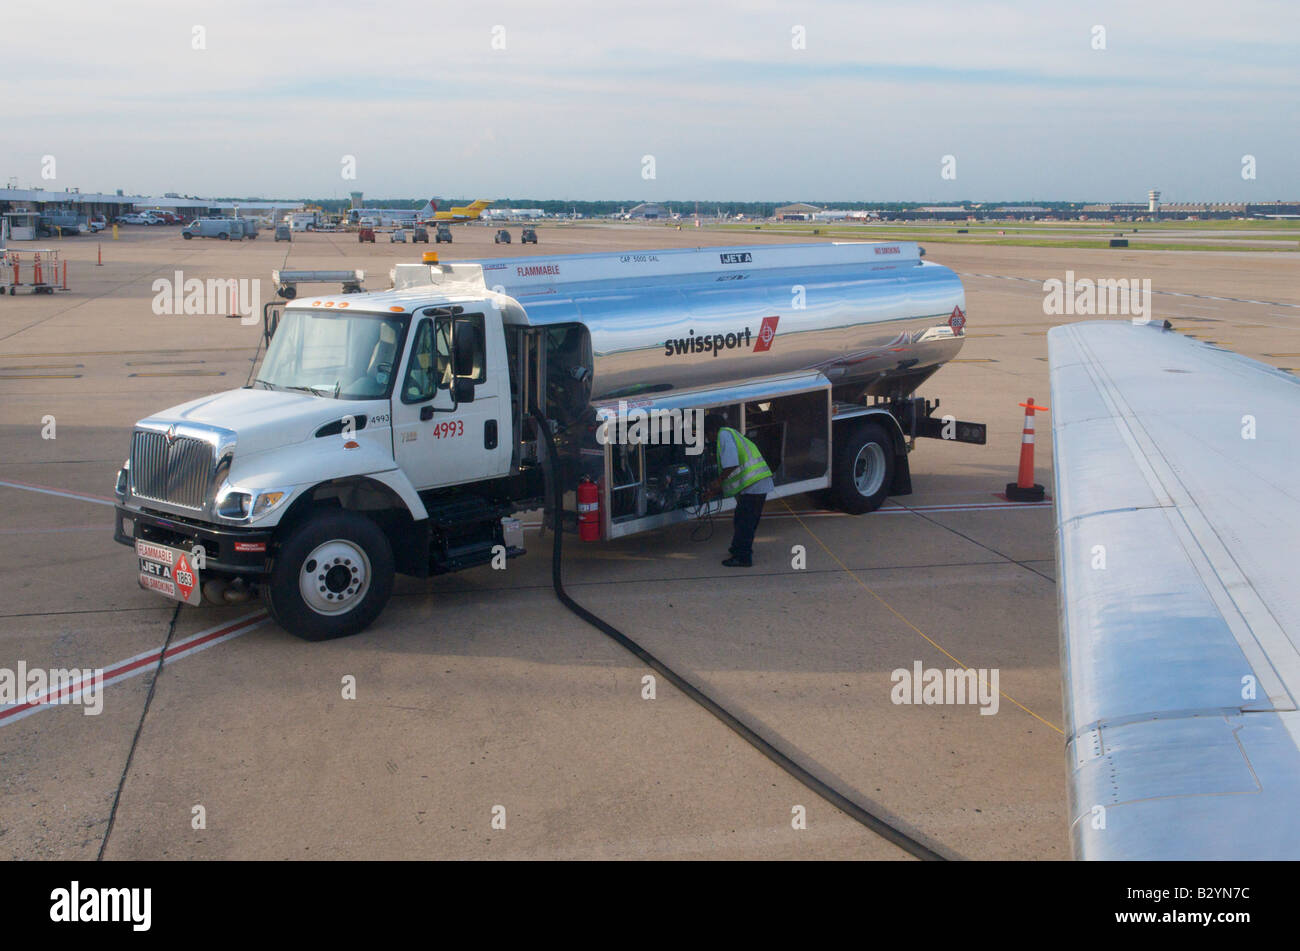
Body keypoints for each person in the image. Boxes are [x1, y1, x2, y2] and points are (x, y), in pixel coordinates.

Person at [704, 413, 774, 567]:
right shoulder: (731, 434)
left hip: (754, 485)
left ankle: (743, 557)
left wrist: (717, 482)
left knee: (745, 522)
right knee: (743, 519)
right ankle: (738, 548)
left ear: (712, 430)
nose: (707, 439)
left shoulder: (724, 436)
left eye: (706, 434)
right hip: (756, 484)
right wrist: (716, 490)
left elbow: (731, 464)